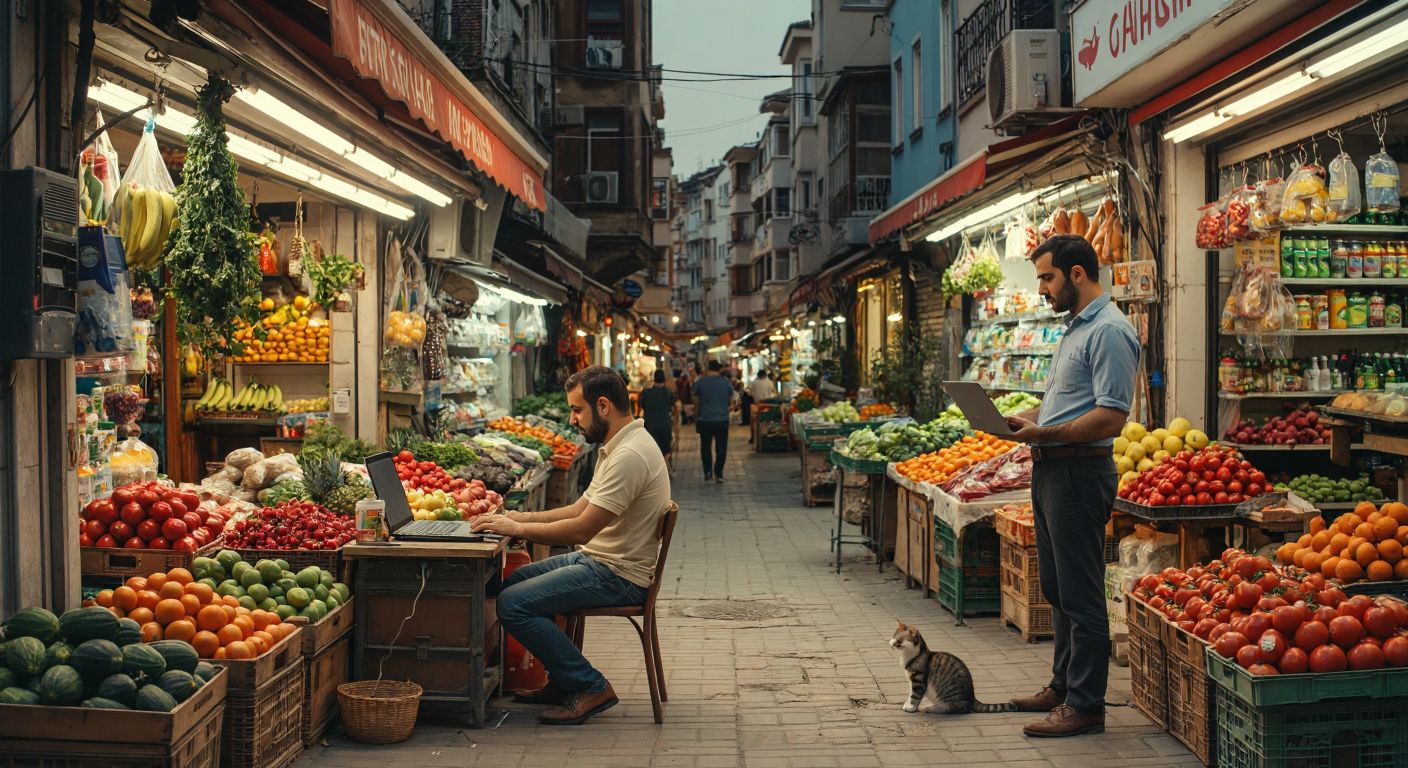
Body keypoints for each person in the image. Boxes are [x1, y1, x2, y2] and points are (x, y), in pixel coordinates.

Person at [470, 366, 672, 725]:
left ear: (604, 406)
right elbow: (580, 509)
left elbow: (580, 530)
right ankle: (564, 680)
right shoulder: (620, 446)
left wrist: (518, 527)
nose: (572, 418)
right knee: (513, 584)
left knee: (512, 604)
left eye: (577, 410)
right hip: (601, 561)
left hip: (618, 574)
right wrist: (517, 519)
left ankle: (588, 685)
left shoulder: (630, 456)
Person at [1002, 235, 1140, 738]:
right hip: (1051, 469)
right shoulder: (1074, 330)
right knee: (1057, 588)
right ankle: (1062, 685)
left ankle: (1086, 705)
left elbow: (1110, 417)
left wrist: (1046, 434)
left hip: (1081, 472)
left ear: (1077, 273)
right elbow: (1063, 404)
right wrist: (1025, 420)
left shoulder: (1109, 331)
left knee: (1081, 594)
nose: (1041, 288)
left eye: (1047, 277)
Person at [692, 360, 733, 482]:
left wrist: (696, 418)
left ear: (708, 368)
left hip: (705, 419)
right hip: (722, 420)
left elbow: (696, 402)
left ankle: (708, 472)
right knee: (721, 447)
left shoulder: (700, 382)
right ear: (719, 369)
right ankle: (718, 473)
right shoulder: (726, 383)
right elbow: (730, 401)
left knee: (705, 446)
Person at [637, 369, 679, 473]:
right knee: (666, 449)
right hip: (665, 425)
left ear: (654, 379)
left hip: (650, 426)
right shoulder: (669, 393)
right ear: (664, 379)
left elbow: (641, 405)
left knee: (652, 450)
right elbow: (675, 408)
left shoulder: (646, 393)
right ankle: (665, 468)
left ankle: (654, 471)